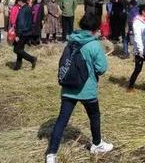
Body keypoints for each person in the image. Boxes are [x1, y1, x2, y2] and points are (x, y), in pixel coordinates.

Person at [45, 13, 112, 162]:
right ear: (95, 29)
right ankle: (97, 144)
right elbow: (101, 68)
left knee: (62, 120)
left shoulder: (71, 41)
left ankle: (51, 153)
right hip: (87, 90)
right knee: (94, 116)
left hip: (68, 88)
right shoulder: (94, 44)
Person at [128, 4, 145, 91]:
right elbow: (137, 37)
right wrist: (140, 51)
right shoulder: (137, 23)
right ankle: (130, 87)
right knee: (138, 69)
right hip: (140, 51)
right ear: (143, 12)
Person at [13, 0, 37, 70]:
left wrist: (17, 35)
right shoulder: (29, 8)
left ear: (20, 1)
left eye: (18, 2)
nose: (17, 3)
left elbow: (21, 23)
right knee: (20, 49)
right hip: (27, 32)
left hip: (22, 33)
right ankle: (17, 66)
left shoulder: (22, 10)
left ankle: (32, 59)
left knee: (16, 50)